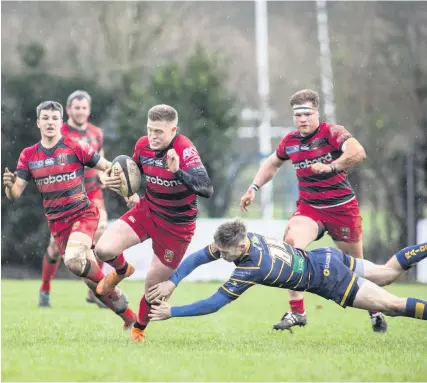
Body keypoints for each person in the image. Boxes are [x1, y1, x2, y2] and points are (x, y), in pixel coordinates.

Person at [239, 89, 388, 332]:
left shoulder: (332, 132)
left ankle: (375, 311)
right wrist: (253, 187)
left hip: (341, 208)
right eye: (298, 115)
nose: (303, 119)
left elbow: (358, 152)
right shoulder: (290, 141)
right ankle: (297, 312)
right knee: (291, 246)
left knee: (357, 264)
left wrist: (332, 167)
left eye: (307, 114)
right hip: (310, 209)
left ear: (316, 113)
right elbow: (272, 163)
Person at [3, 100, 136, 329]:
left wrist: (125, 187)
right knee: (90, 282)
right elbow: (15, 193)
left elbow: (107, 166)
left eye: (54, 118)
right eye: (45, 118)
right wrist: (9, 185)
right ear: (38, 123)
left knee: (74, 261)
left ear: (60, 122)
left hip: (83, 214)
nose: (50, 122)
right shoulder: (29, 155)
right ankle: (130, 318)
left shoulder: (76, 147)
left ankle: (116, 276)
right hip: (58, 225)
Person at [146, 219, 427, 326]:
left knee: (392, 306)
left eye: (225, 251)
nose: (220, 254)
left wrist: (173, 312)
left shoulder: (253, 267)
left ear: (240, 245)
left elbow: (215, 302)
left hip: (329, 278)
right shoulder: (246, 237)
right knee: (389, 272)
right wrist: (173, 281)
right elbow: (199, 255)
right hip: (325, 255)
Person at [94, 104, 214, 342]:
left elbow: (207, 188)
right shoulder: (142, 145)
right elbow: (133, 174)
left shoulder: (185, 150)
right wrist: (117, 183)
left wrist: (178, 171)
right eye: (150, 130)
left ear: (173, 130)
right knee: (102, 249)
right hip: (148, 211)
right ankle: (122, 271)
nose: (153, 136)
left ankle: (138, 330)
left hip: (177, 227)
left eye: (159, 131)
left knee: (154, 291)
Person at [38, 90, 108, 309]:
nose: (80, 111)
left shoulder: (96, 132)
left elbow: (100, 155)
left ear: (89, 110)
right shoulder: (60, 130)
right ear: (68, 110)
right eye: (76, 107)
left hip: (93, 192)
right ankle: (45, 289)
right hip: (67, 195)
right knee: (53, 247)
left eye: (84, 108)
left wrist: (103, 174)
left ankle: (95, 291)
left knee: (102, 237)